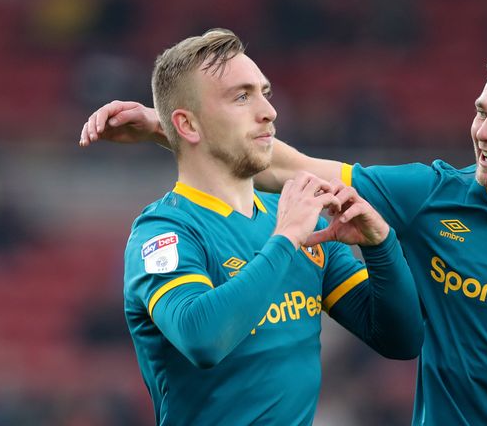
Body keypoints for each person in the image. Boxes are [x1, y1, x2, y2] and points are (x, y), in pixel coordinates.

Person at [81, 48, 487, 425]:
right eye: (481, 109)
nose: (482, 130)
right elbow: (292, 168)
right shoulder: (433, 193)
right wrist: (169, 125)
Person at [99, 29, 424, 425]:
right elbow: (202, 339)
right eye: (241, 96)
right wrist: (285, 239)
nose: (268, 111)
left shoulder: (297, 218)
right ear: (187, 125)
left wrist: (380, 245)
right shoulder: (164, 232)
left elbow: (401, 339)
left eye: (264, 92)